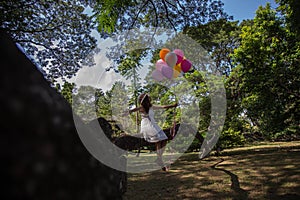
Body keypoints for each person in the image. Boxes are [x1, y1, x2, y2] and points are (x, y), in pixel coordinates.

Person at [128, 93, 177, 171]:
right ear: (145, 101)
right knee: (158, 140)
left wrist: (172, 106)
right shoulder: (142, 108)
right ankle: (159, 159)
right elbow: (133, 110)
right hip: (147, 126)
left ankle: (159, 158)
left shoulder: (151, 107)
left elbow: (163, 107)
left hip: (154, 125)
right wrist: (127, 112)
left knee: (164, 139)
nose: (149, 100)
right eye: (148, 99)